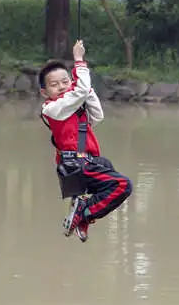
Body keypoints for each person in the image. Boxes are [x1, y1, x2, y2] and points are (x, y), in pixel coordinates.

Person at [38, 40, 132, 243]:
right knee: (123, 185)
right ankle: (85, 214)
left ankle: (83, 214)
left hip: (87, 162)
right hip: (76, 165)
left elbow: (97, 116)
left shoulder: (73, 108)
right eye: (54, 85)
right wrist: (79, 61)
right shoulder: (52, 109)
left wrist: (86, 90)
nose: (61, 88)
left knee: (107, 166)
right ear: (44, 92)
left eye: (65, 82)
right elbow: (77, 94)